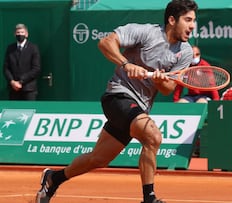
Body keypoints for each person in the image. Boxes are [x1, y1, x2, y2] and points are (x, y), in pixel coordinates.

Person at [35, 1, 198, 203]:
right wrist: (126, 64)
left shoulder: (186, 52)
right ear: (172, 20)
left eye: (194, 21)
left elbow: (169, 89)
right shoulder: (145, 32)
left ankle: (54, 178)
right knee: (153, 137)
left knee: (98, 159)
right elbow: (105, 42)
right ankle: (149, 198)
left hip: (139, 107)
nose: (192, 25)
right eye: (188, 20)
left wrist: (159, 80)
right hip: (118, 96)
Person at [3, 23, 41, 100]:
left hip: (29, 89)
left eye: (22, 32)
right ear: (14, 34)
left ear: (26, 34)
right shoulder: (10, 48)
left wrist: (21, 81)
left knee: (28, 110)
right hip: (13, 89)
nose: (20, 34)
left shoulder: (33, 48)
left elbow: (36, 69)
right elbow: (6, 68)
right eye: (18, 33)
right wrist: (12, 81)